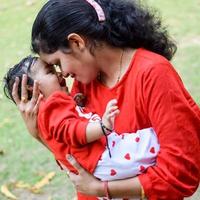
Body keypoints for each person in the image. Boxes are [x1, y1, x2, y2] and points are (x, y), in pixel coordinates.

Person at [11, 0, 200, 199]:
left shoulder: (153, 73)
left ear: (76, 42)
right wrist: (38, 134)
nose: (63, 74)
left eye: (58, 63)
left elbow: (182, 173)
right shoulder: (84, 82)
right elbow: (83, 163)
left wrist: (102, 190)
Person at [3, 55, 160, 189]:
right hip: (103, 158)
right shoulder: (52, 105)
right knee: (153, 141)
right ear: (32, 88)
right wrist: (102, 127)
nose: (60, 74)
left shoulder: (50, 111)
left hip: (98, 167)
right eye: (50, 72)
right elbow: (71, 131)